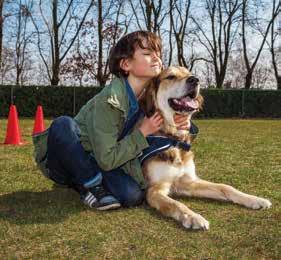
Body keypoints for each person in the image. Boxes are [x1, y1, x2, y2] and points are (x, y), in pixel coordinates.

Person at [33, 31, 190, 210]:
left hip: (102, 159)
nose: (156, 59)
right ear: (125, 64)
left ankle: (82, 183)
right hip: (70, 157)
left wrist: (186, 124)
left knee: (133, 196)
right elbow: (107, 159)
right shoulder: (108, 100)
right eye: (147, 54)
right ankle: (89, 185)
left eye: (158, 54)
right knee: (63, 124)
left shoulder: (149, 97)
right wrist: (142, 133)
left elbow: (172, 116)